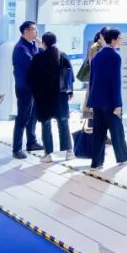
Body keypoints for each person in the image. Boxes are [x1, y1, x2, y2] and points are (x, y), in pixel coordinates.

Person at [87, 28, 127, 169]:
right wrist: (117, 104)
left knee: (99, 133)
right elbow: (115, 82)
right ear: (113, 40)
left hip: (97, 102)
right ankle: (123, 156)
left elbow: (92, 80)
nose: (121, 40)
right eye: (120, 38)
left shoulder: (97, 56)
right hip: (110, 102)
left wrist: (91, 101)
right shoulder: (115, 56)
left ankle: (96, 162)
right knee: (117, 131)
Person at [28, 32, 74, 162]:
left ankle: (48, 154)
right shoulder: (62, 55)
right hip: (60, 97)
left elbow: (31, 79)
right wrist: (70, 92)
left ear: (43, 43)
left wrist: (35, 94)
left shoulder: (38, 58)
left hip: (43, 98)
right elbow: (70, 76)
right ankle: (69, 152)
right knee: (63, 123)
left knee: (46, 124)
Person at [11, 21, 42, 159]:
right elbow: (34, 64)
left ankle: (31, 142)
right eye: (34, 29)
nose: (36, 32)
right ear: (26, 31)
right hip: (24, 88)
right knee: (23, 117)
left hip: (34, 86)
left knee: (33, 116)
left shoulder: (33, 44)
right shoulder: (20, 48)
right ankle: (16, 148)